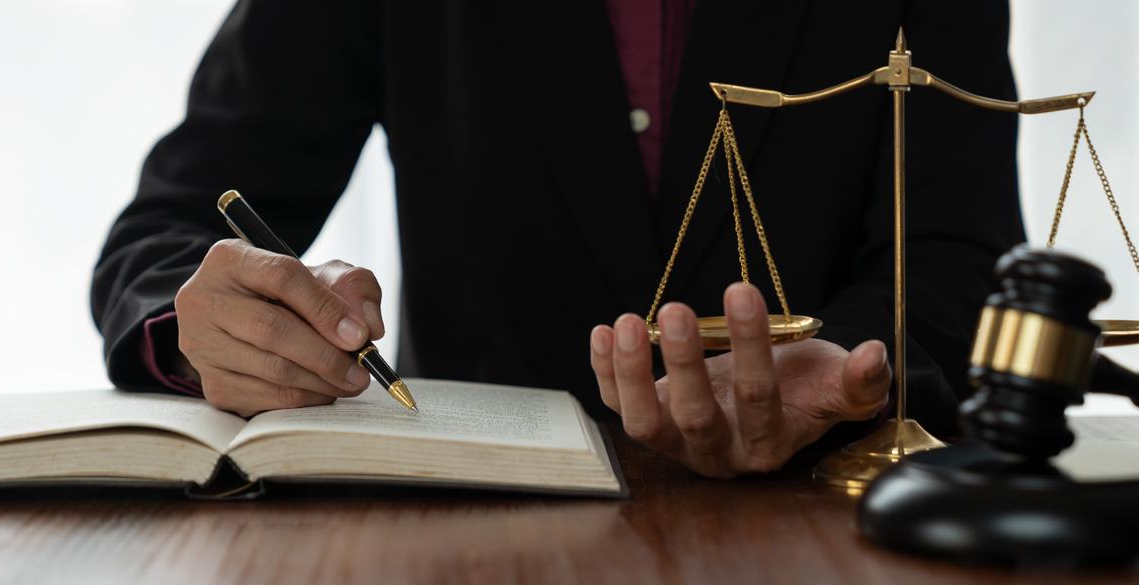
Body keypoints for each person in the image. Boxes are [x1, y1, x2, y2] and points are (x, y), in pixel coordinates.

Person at [90, 0, 1023, 478]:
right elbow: (173, 227)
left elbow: (958, 256)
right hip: (468, 536)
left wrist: (856, 369)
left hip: (816, 524)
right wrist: (205, 324)